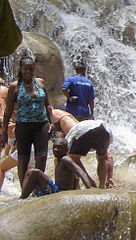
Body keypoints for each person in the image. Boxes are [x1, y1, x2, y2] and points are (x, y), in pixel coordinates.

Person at [1, 56, 53, 184]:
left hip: (42, 124)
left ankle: (39, 185)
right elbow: (8, 111)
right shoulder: (14, 86)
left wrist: (52, 123)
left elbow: (48, 105)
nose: (28, 71)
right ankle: (24, 188)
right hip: (23, 125)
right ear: (21, 69)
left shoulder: (40, 83)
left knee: (41, 156)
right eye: (26, 68)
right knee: (23, 157)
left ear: (34, 68)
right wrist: (4, 133)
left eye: (31, 68)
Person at [51, 108, 114, 189]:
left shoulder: (69, 130)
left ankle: (89, 184)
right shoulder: (65, 124)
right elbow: (108, 157)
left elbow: (73, 160)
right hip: (104, 128)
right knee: (102, 157)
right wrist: (110, 178)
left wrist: (89, 180)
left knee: (72, 158)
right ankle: (102, 186)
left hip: (83, 130)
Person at [20, 137, 97, 198]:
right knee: (31, 173)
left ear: (66, 150)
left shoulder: (65, 159)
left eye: (59, 148)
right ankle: (27, 196)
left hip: (59, 191)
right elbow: (75, 178)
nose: (56, 150)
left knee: (34, 172)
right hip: (56, 189)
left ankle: (22, 198)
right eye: (54, 147)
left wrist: (89, 189)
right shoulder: (58, 159)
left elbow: (80, 172)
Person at [0, 121, 17, 192]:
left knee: (1, 168)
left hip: (26, 149)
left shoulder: (9, 127)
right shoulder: (5, 132)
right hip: (26, 149)